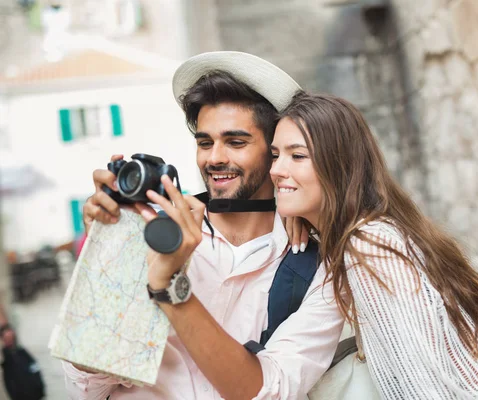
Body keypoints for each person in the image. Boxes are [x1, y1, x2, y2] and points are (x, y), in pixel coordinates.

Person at [63, 52, 344, 399]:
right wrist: (109, 263)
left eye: (236, 142)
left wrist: (168, 284)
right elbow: (88, 387)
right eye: (205, 142)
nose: (214, 158)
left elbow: (274, 390)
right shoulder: (147, 231)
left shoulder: (319, 267)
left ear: (274, 153)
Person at [270, 92, 478, 399]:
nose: (276, 170)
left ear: (339, 165)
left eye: (298, 156)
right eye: (275, 154)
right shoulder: (364, 234)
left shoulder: (369, 247)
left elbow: (422, 387)